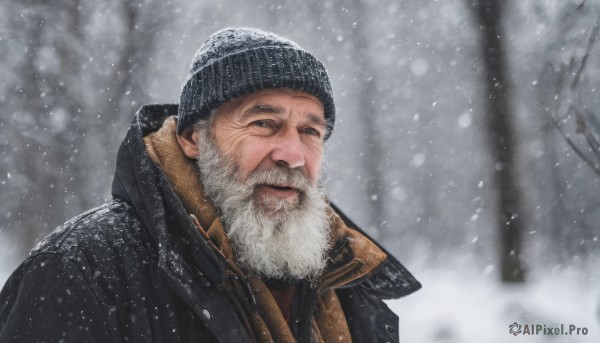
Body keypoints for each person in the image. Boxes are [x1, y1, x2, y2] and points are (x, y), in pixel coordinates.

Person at [0, 27, 420, 343]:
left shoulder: (345, 281)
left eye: (311, 131)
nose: (292, 154)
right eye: (263, 123)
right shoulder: (83, 270)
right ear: (192, 137)